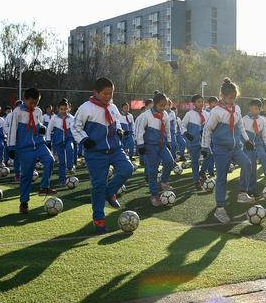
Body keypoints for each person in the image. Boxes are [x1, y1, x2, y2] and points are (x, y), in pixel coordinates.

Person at [71, 77, 134, 233]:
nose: (108, 96)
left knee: (127, 168)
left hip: (115, 149)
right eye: (105, 93)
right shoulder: (86, 108)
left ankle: (109, 192)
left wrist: (119, 130)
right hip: (95, 153)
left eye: (111, 93)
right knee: (98, 185)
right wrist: (85, 140)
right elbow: (75, 126)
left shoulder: (112, 108)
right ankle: (99, 218)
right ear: (96, 92)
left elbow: (117, 122)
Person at [201, 78, 255, 224]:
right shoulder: (216, 112)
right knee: (221, 178)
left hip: (236, 147)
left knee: (247, 164)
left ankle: (242, 193)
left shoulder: (236, 109)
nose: (232, 100)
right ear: (223, 96)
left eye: (234, 98)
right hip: (221, 150)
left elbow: (241, 126)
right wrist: (205, 147)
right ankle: (220, 208)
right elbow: (208, 129)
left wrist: (246, 140)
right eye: (230, 98)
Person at [7, 88, 57, 212]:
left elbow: (39, 124)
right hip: (24, 149)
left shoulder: (38, 111)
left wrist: (42, 129)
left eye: (36, 102)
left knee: (50, 160)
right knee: (26, 176)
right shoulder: (17, 112)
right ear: (24, 99)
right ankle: (24, 203)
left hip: (39, 144)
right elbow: (12, 130)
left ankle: (44, 187)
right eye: (31, 102)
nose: (34, 105)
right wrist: (11, 148)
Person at [136, 92, 174, 206]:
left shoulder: (165, 115)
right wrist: (140, 146)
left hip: (161, 144)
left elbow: (167, 130)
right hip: (150, 146)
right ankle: (154, 195)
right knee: (153, 171)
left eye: (165, 105)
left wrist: (168, 142)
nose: (163, 108)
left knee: (169, 161)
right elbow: (140, 131)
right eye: (161, 105)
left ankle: (163, 181)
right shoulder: (146, 115)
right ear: (155, 104)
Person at [242, 98, 266, 195]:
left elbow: (264, 134)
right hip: (248, 145)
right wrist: (244, 144)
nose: (257, 111)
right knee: (252, 167)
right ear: (250, 108)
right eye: (254, 108)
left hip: (258, 143)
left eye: (258, 109)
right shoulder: (244, 120)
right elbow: (240, 134)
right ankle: (251, 189)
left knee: (263, 155)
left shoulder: (262, 120)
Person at [46, 99, 75, 187]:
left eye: (65, 109)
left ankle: (70, 167)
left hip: (68, 139)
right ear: (58, 109)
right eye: (61, 109)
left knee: (70, 147)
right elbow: (49, 130)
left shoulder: (72, 118)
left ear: (68, 109)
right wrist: (48, 140)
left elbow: (75, 130)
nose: (63, 111)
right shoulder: (54, 118)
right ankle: (62, 180)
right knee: (62, 162)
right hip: (58, 142)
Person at [182, 94, 209, 189]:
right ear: (194, 103)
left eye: (202, 101)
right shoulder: (189, 114)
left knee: (210, 155)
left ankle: (202, 172)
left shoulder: (207, 114)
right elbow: (183, 125)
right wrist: (186, 134)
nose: (201, 103)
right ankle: (196, 180)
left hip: (205, 142)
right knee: (195, 161)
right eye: (199, 101)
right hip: (193, 142)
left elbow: (209, 127)